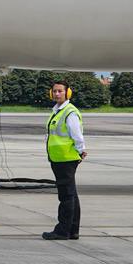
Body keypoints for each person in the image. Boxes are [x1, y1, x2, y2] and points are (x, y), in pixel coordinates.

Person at [43, 80, 86, 240]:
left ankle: (63, 230)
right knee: (71, 194)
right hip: (59, 158)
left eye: (60, 91)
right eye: (54, 91)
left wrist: (81, 150)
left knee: (66, 196)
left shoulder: (69, 112)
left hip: (66, 159)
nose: (57, 94)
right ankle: (73, 230)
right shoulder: (57, 111)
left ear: (67, 93)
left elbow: (77, 135)